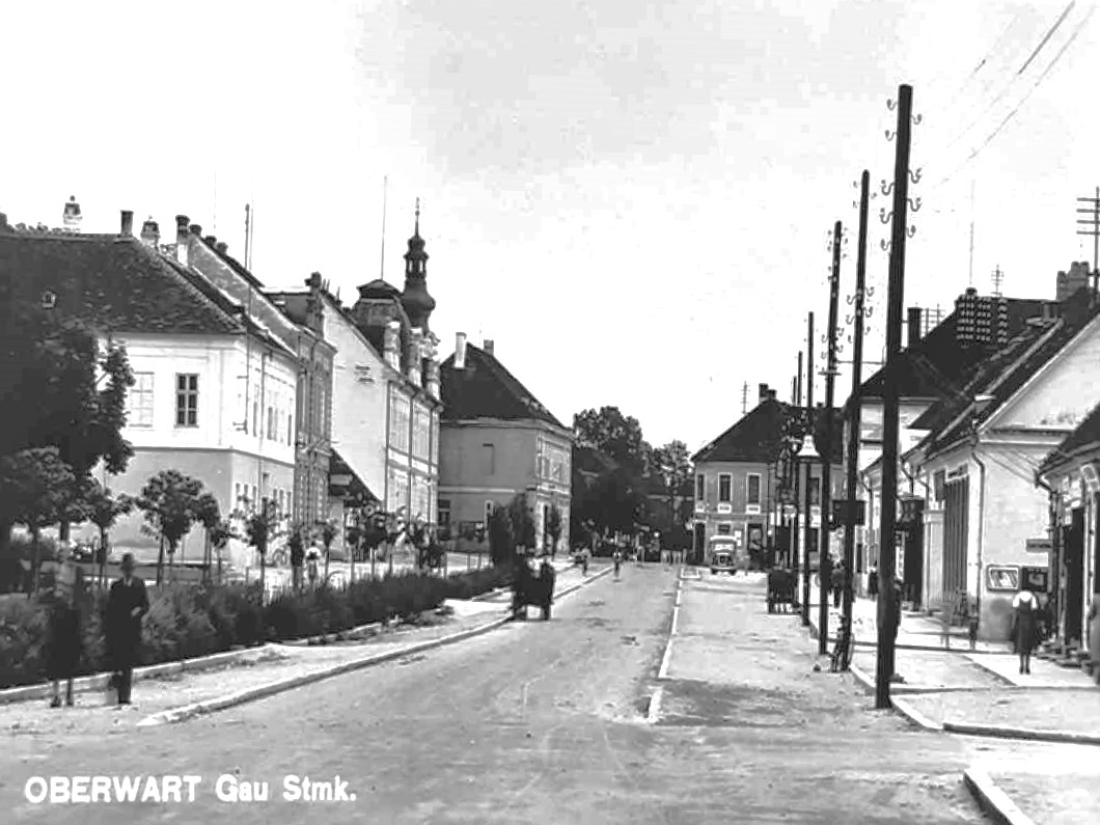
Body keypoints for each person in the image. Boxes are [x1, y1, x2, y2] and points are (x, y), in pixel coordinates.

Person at [106, 553, 149, 706]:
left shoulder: (139, 584)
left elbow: (145, 605)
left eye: (130, 569)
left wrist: (138, 611)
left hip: (133, 629)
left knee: (128, 663)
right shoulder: (116, 586)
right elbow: (110, 607)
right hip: (118, 629)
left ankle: (125, 696)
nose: (128, 572)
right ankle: (117, 693)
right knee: (118, 661)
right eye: (126, 569)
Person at [46, 544, 85, 708]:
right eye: (61, 552)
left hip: (71, 617)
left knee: (71, 655)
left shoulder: (77, 571)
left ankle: (69, 692)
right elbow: (47, 592)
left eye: (66, 552)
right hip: (57, 617)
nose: (64, 555)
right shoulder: (53, 572)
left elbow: (81, 594)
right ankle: (56, 694)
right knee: (55, 655)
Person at [1011, 587, 1039, 675]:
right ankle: (1027, 666)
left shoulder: (1018, 596)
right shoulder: (1032, 597)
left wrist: (1013, 624)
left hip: (1020, 623)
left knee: (1021, 644)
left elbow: (1015, 610)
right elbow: (1035, 611)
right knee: (1028, 644)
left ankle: (1021, 665)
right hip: (1030, 623)